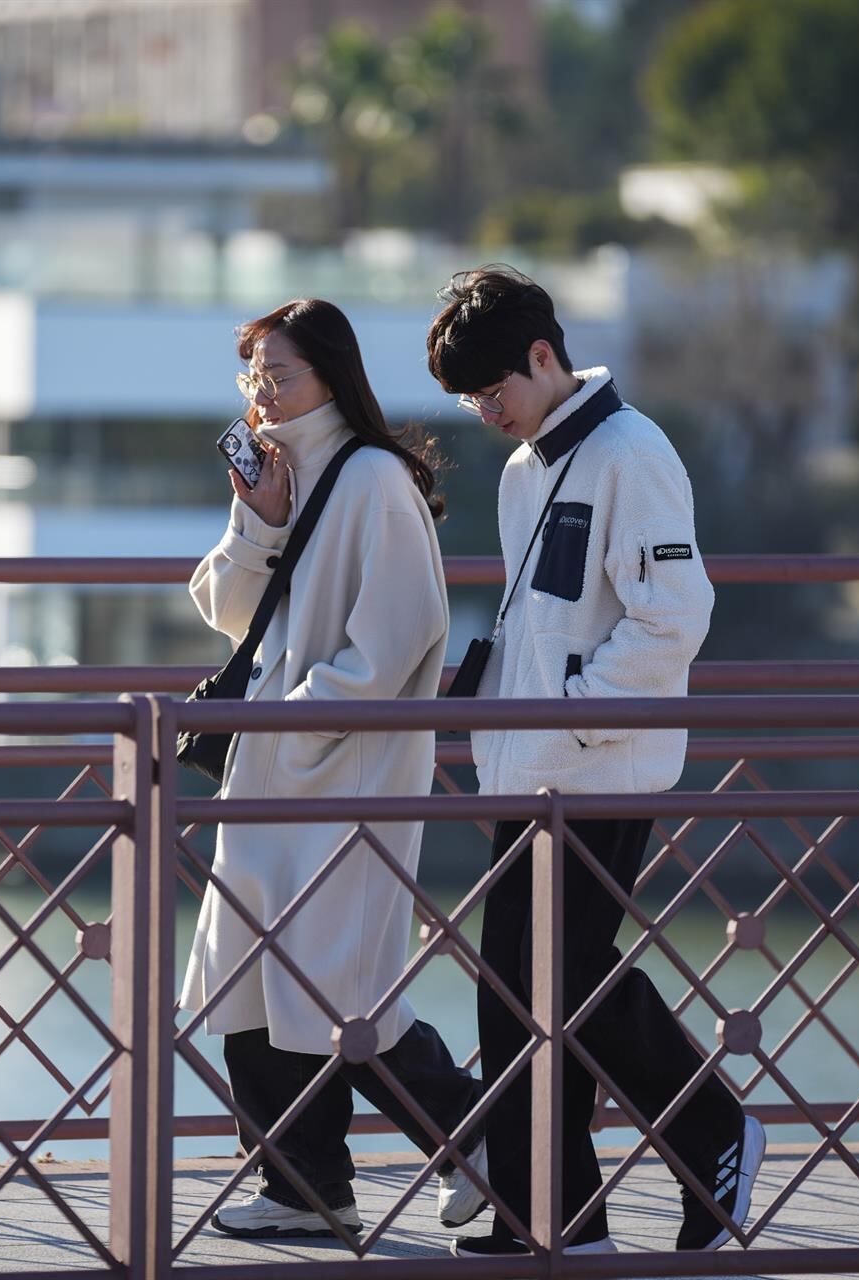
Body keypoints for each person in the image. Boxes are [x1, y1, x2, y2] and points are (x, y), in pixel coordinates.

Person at [424, 266, 764, 1258]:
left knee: (556, 980)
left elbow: (675, 617)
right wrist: (492, 698)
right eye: (471, 401)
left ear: (544, 356)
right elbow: (547, 619)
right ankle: (556, 1214)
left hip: (599, 770)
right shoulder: (530, 468)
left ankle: (711, 1129)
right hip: (530, 767)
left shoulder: (633, 451)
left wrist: (568, 717)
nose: (487, 413)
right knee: (518, 988)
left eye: (495, 391)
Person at [183, 298, 488, 1239]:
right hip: (280, 774)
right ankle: (303, 1184)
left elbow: (401, 637)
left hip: (339, 777)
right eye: (253, 378)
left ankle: (474, 1139)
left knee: (335, 990)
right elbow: (228, 614)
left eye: (280, 376)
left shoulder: (371, 480)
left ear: (330, 376)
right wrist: (258, 523)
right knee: (252, 980)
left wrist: (292, 720)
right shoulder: (287, 476)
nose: (264, 396)